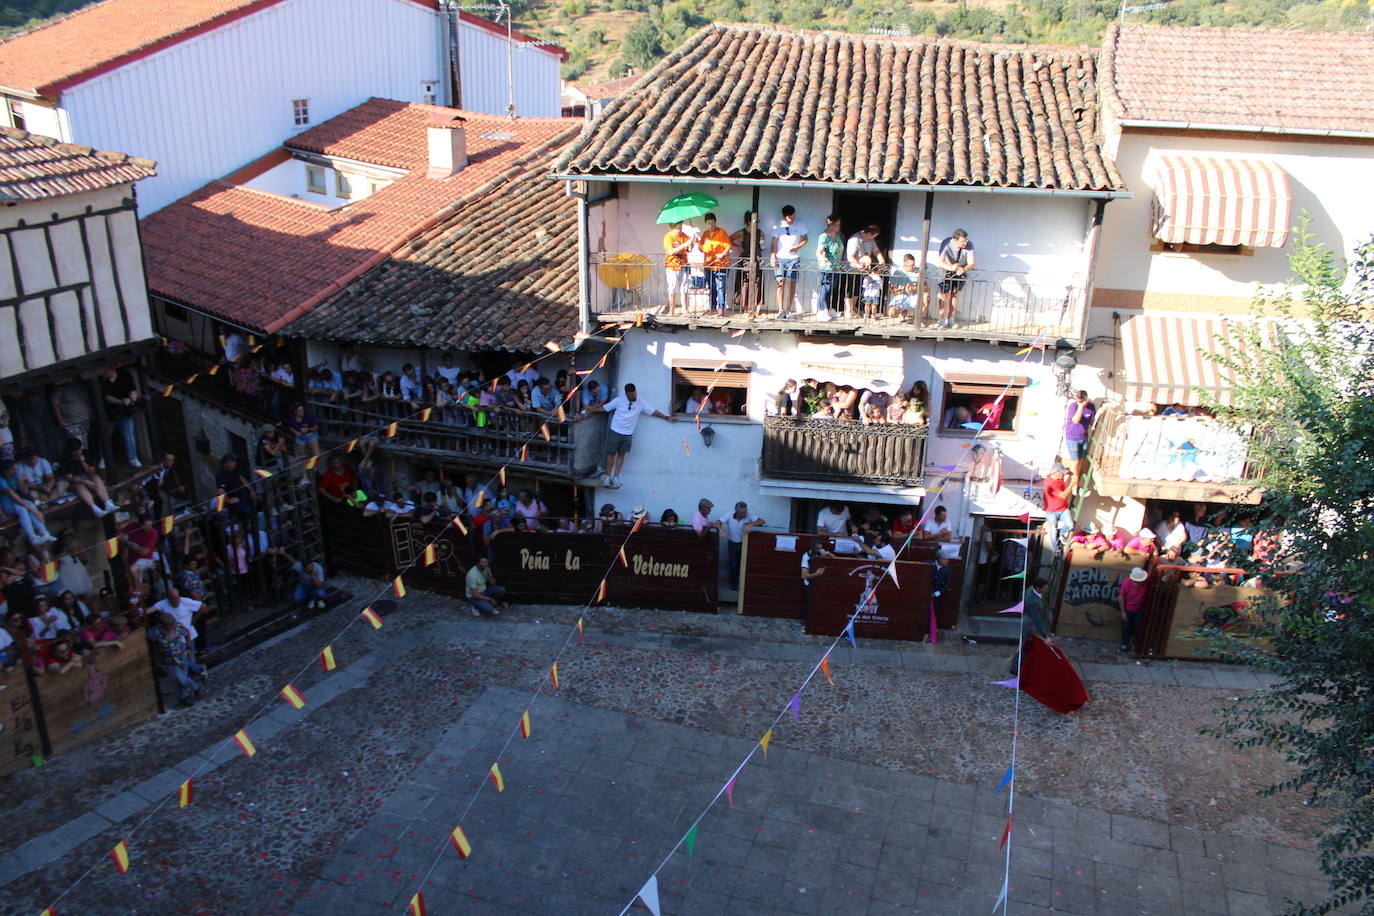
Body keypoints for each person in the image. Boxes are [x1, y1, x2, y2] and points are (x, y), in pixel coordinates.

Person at [584, 383, 674, 488]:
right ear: (626, 394)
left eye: (634, 394)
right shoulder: (618, 400)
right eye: (631, 395)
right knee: (611, 454)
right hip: (615, 431)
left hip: (628, 433)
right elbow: (605, 408)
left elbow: (652, 411)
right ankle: (608, 476)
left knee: (621, 455)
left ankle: (616, 477)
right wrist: (590, 411)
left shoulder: (640, 402)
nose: (633, 396)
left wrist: (666, 417)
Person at [148, 611, 205, 706]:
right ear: (162, 625)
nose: (171, 627)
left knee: (183, 678)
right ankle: (196, 687)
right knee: (182, 679)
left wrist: (188, 648)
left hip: (182, 657)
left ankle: (184, 696)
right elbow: (154, 646)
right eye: (169, 625)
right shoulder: (155, 632)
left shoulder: (178, 627)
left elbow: (187, 634)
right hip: (170, 661)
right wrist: (158, 659)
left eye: (172, 624)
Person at [99, 364, 143, 467]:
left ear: (112, 368)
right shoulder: (102, 380)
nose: (104, 373)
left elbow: (133, 390)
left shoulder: (124, 374)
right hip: (109, 414)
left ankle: (133, 458)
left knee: (128, 435)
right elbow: (105, 397)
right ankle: (103, 459)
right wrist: (121, 402)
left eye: (106, 371)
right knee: (106, 436)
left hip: (125, 413)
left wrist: (133, 397)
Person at [769, 205, 808, 320]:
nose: (792, 219)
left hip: (794, 258)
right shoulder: (778, 224)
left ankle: (789, 310)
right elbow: (774, 241)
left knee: (792, 283)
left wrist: (797, 248)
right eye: (789, 217)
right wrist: (773, 256)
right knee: (780, 283)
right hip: (780, 257)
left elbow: (806, 238)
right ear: (785, 217)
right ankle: (781, 309)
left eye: (793, 217)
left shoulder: (800, 224)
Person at [935, 228, 975, 329]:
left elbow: (972, 263)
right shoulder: (946, 243)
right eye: (963, 241)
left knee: (955, 295)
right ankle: (942, 320)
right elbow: (940, 262)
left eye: (966, 240)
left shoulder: (969, 245)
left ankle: (951, 319)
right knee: (944, 295)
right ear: (955, 240)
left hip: (961, 270)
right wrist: (951, 268)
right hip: (946, 269)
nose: (965, 243)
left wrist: (963, 269)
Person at [730, 210, 766, 315]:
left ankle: (757, 307)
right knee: (744, 284)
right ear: (748, 221)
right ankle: (746, 308)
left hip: (757, 260)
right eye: (755, 220)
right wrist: (739, 247)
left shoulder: (760, 232)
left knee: (758, 283)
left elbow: (763, 247)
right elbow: (729, 239)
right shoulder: (742, 232)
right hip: (745, 260)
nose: (757, 222)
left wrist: (762, 242)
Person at [844, 225, 884, 318]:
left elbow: (876, 250)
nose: (874, 238)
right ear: (869, 233)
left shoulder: (871, 240)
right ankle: (848, 310)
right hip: (851, 268)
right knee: (850, 289)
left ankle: (853, 308)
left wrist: (881, 259)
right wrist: (858, 265)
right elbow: (850, 256)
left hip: (862, 269)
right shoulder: (854, 240)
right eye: (874, 236)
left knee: (858, 289)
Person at [723, 501, 764, 588]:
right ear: (737, 512)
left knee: (744, 565)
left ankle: (742, 585)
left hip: (744, 544)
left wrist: (751, 524)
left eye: (745, 511)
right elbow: (718, 522)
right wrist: (720, 529)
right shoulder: (729, 515)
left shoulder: (749, 515)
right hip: (732, 544)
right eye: (743, 512)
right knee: (733, 566)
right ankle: (734, 585)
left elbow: (762, 521)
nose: (745, 513)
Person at [698, 212, 732, 313]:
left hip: (721, 264)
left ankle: (721, 308)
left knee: (721, 287)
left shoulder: (722, 232)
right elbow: (702, 249)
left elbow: (728, 245)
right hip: (708, 264)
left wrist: (722, 254)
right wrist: (697, 243)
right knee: (712, 287)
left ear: (715, 222)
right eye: (708, 223)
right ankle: (712, 308)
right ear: (705, 223)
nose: (711, 225)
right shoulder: (705, 234)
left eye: (712, 223)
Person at [814, 215, 844, 320]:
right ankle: (821, 310)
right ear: (830, 225)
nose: (838, 227)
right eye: (836, 225)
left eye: (839, 225)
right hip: (828, 267)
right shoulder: (824, 236)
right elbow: (819, 251)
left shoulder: (838, 235)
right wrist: (823, 260)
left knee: (832, 289)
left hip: (836, 267)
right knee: (825, 288)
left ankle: (829, 309)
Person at [1063, 390, 1095, 483]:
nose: (1079, 402)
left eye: (1081, 400)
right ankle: (1074, 481)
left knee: (1080, 460)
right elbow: (1076, 420)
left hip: (1084, 437)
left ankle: (1076, 481)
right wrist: (1081, 407)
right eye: (1078, 400)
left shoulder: (1091, 407)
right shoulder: (1073, 406)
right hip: (1073, 438)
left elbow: (1092, 421)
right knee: (1075, 461)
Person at [663, 220, 693, 315]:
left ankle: (685, 310)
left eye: (680, 228)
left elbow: (689, 249)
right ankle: (671, 310)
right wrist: (684, 245)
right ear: (671, 228)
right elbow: (671, 251)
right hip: (672, 266)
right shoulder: (668, 237)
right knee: (672, 288)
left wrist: (691, 244)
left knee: (684, 287)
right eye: (677, 229)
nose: (679, 231)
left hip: (683, 265)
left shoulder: (683, 236)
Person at [1118, 566, 1149, 655]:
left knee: (1137, 628)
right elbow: (1121, 597)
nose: (1139, 583)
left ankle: (1134, 645)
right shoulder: (1126, 583)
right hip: (1128, 609)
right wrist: (1123, 612)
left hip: (1139, 609)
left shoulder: (1145, 581)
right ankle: (1125, 644)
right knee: (1126, 628)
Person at [800, 541, 831, 623]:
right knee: (809, 605)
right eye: (818, 548)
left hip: (821, 584)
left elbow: (835, 559)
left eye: (820, 548)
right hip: (810, 584)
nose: (819, 549)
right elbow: (804, 575)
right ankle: (807, 624)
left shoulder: (820, 551)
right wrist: (817, 574)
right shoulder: (806, 557)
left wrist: (828, 554)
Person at [1042, 464, 1072, 542]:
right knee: (1053, 532)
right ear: (1056, 472)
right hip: (1052, 511)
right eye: (1062, 473)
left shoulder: (1057, 478)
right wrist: (1073, 484)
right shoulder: (1049, 484)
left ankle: (1060, 532)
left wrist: (1074, 473)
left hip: (1063, 508)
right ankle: (1057, 550)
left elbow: (1069, 470)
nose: (1064, 474)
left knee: (1070, 525)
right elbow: (1063, 495)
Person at [888, 253, 920, 319]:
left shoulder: (917, 273)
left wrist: (913, 288)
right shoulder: (898, 273)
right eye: (911, 265)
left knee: (919, 301)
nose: (913, 267)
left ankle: (916, 319)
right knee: (892, 312)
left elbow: (923, 287)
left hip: (913, 295)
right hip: (900, 295)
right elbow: (892, 289)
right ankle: (901, 313)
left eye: (914, 265)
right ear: (905, 264)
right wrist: (902, 291)